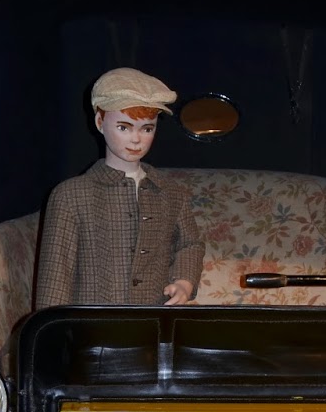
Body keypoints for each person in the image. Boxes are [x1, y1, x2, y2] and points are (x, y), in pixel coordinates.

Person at [34, 68, 203, 311]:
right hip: (92, 326)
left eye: (147, 128)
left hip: (155, 322)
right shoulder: (70, 195)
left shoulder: (170, 192)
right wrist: (53, 329)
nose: (136, 139)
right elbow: (55, 276)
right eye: (124, 127)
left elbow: (190, 243)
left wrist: (184, 282)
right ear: (100, 122)